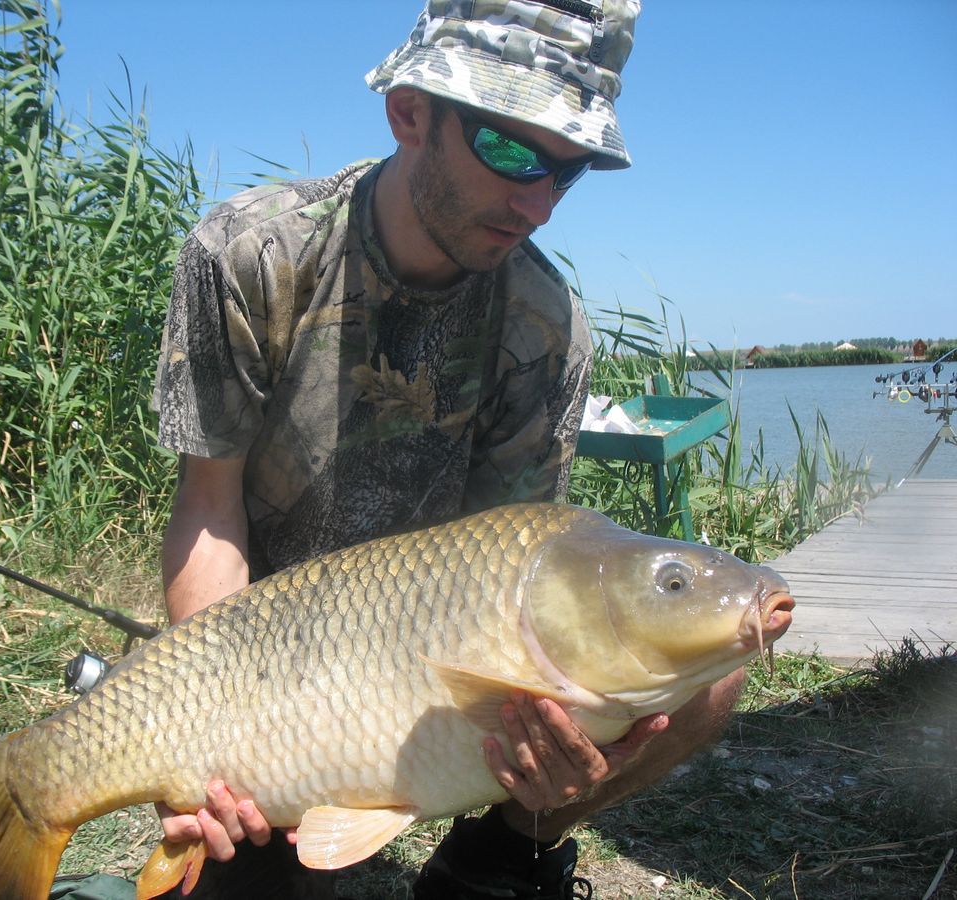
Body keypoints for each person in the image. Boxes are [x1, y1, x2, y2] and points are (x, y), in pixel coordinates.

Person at [151, 1, 745, 897]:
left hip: (444, 655)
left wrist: (572, 744)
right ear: (410, 112)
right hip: (271, 660)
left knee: (706, 679)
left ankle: (501, 851)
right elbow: (208, 510)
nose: (537, 205)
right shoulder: (251, 254)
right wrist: (215, 729)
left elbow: (524, 575)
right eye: (511, 150)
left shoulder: (547, 328)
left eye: (568, 171)